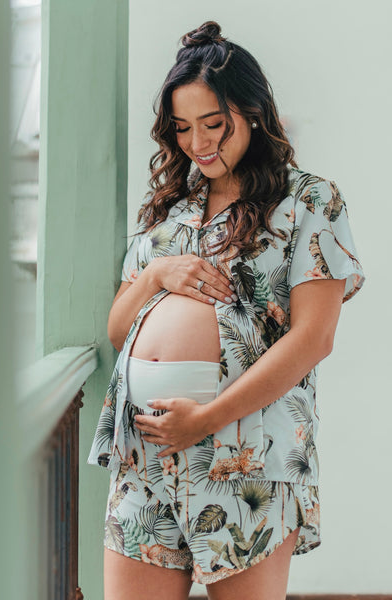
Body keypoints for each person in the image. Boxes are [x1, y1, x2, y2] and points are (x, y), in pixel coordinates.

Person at [87, 20, 365, 600]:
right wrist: (156, 275)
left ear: (254, 111)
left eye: (214, 124)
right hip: (145, 454)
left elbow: (314, 338)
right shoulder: (168, 210)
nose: (197, 143)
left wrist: (206, 421)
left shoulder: (309, 200)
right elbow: (120, 330)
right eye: (183, 128)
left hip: (245, 455)